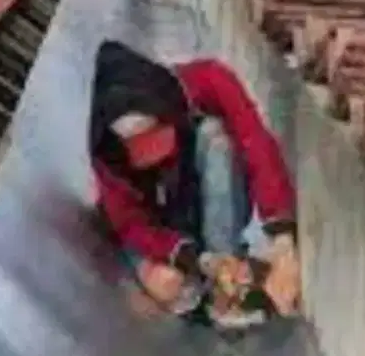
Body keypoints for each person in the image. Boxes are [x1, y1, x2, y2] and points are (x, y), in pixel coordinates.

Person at [88, 39, 300, 329]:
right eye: (137, 145)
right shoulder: (107, 153)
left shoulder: (208, 81)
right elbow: (130, 223)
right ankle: (204, 277)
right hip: (162, 230)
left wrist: (282, 240)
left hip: (209, 207)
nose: (153, 155)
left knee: (217, 138)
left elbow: (256, 144)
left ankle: (226, 281)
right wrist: (190, 258)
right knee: (166, 284)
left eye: (155, 133)